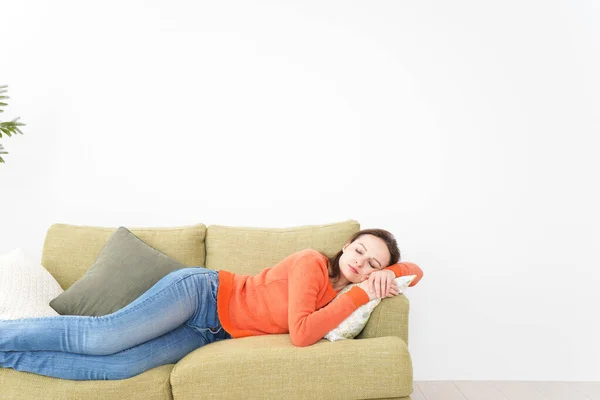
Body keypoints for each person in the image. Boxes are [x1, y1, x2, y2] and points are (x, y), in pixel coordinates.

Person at [0, 228, 423, 380]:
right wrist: (367, 287)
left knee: (117, 368)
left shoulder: (342, 296)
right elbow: (301, 334)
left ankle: (8, 356)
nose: (361, 262)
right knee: (102, 338)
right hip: (201, 294)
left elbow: (416, 272)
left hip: (209, 331)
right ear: (347, 244)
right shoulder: (312, 263)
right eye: (360, 250)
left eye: (372, 264)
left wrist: (391, 273)